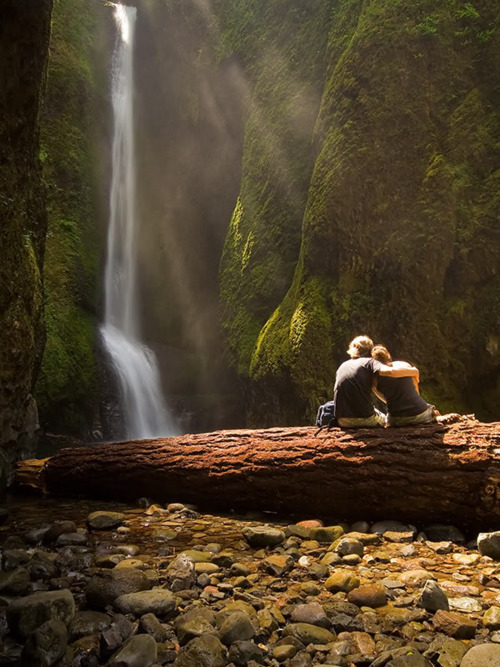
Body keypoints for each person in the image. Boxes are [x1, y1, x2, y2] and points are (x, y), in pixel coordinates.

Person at [334, 335, 420, 428]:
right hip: (364, 419)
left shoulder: (343, 365)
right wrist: (414, 371)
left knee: (376, 411)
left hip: (341, 419)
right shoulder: (370, 362)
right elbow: (390, 372)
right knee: (386, 419)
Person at [371, 345, 437, 426]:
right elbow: (416, 391)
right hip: (420, 414)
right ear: (388, 355)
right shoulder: (404, 365)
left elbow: (386, 400)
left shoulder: (374, 378)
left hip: (396, 419)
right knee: (430, 409)